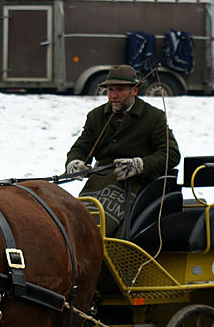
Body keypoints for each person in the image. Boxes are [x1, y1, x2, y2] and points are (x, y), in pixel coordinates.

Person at [65, 64, 180, 236]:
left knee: (100, 229)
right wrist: (75, 162)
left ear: (135, 90)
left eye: (120, 90)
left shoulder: (153, 117)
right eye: (110, 90)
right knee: (75, 222)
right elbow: (81, 147)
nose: (113, 95)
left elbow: (171, 154)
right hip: (99, 181)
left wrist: (139, 165)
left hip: (137, 184)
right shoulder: (96, 116)